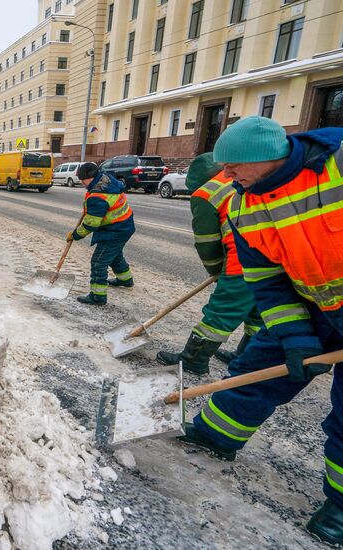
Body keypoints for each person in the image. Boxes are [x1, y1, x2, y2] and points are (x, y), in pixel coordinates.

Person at [177, 116, 343, 545]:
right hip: (314, 302)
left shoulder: (337, 164)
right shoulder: (243, 204)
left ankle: (341, 508)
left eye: (233, 168)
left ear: (267, 157)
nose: (226, 177)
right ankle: (216, 433)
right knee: (259, 364)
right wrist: (296, 336)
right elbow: (266, 281)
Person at [156, 153, 263, 374]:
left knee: (221, 312)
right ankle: (246, 356)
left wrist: (216, 270)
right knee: (257, 310)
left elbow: (207, 242)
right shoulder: (245, 178)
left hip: (244, 261)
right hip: (274, 256)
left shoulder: (206, 193)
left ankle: (193, 360)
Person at [67, 162, 135, 306]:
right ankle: (125, 279)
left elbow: (91, 224)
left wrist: (75, 235)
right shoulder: (106, 180)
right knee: (114, 255)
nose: (81, 182)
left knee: (99, 261)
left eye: (82, 179)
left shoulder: (98, 196)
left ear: (90, 178)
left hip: (114, 231)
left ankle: (98, 296)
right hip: (124, 225)